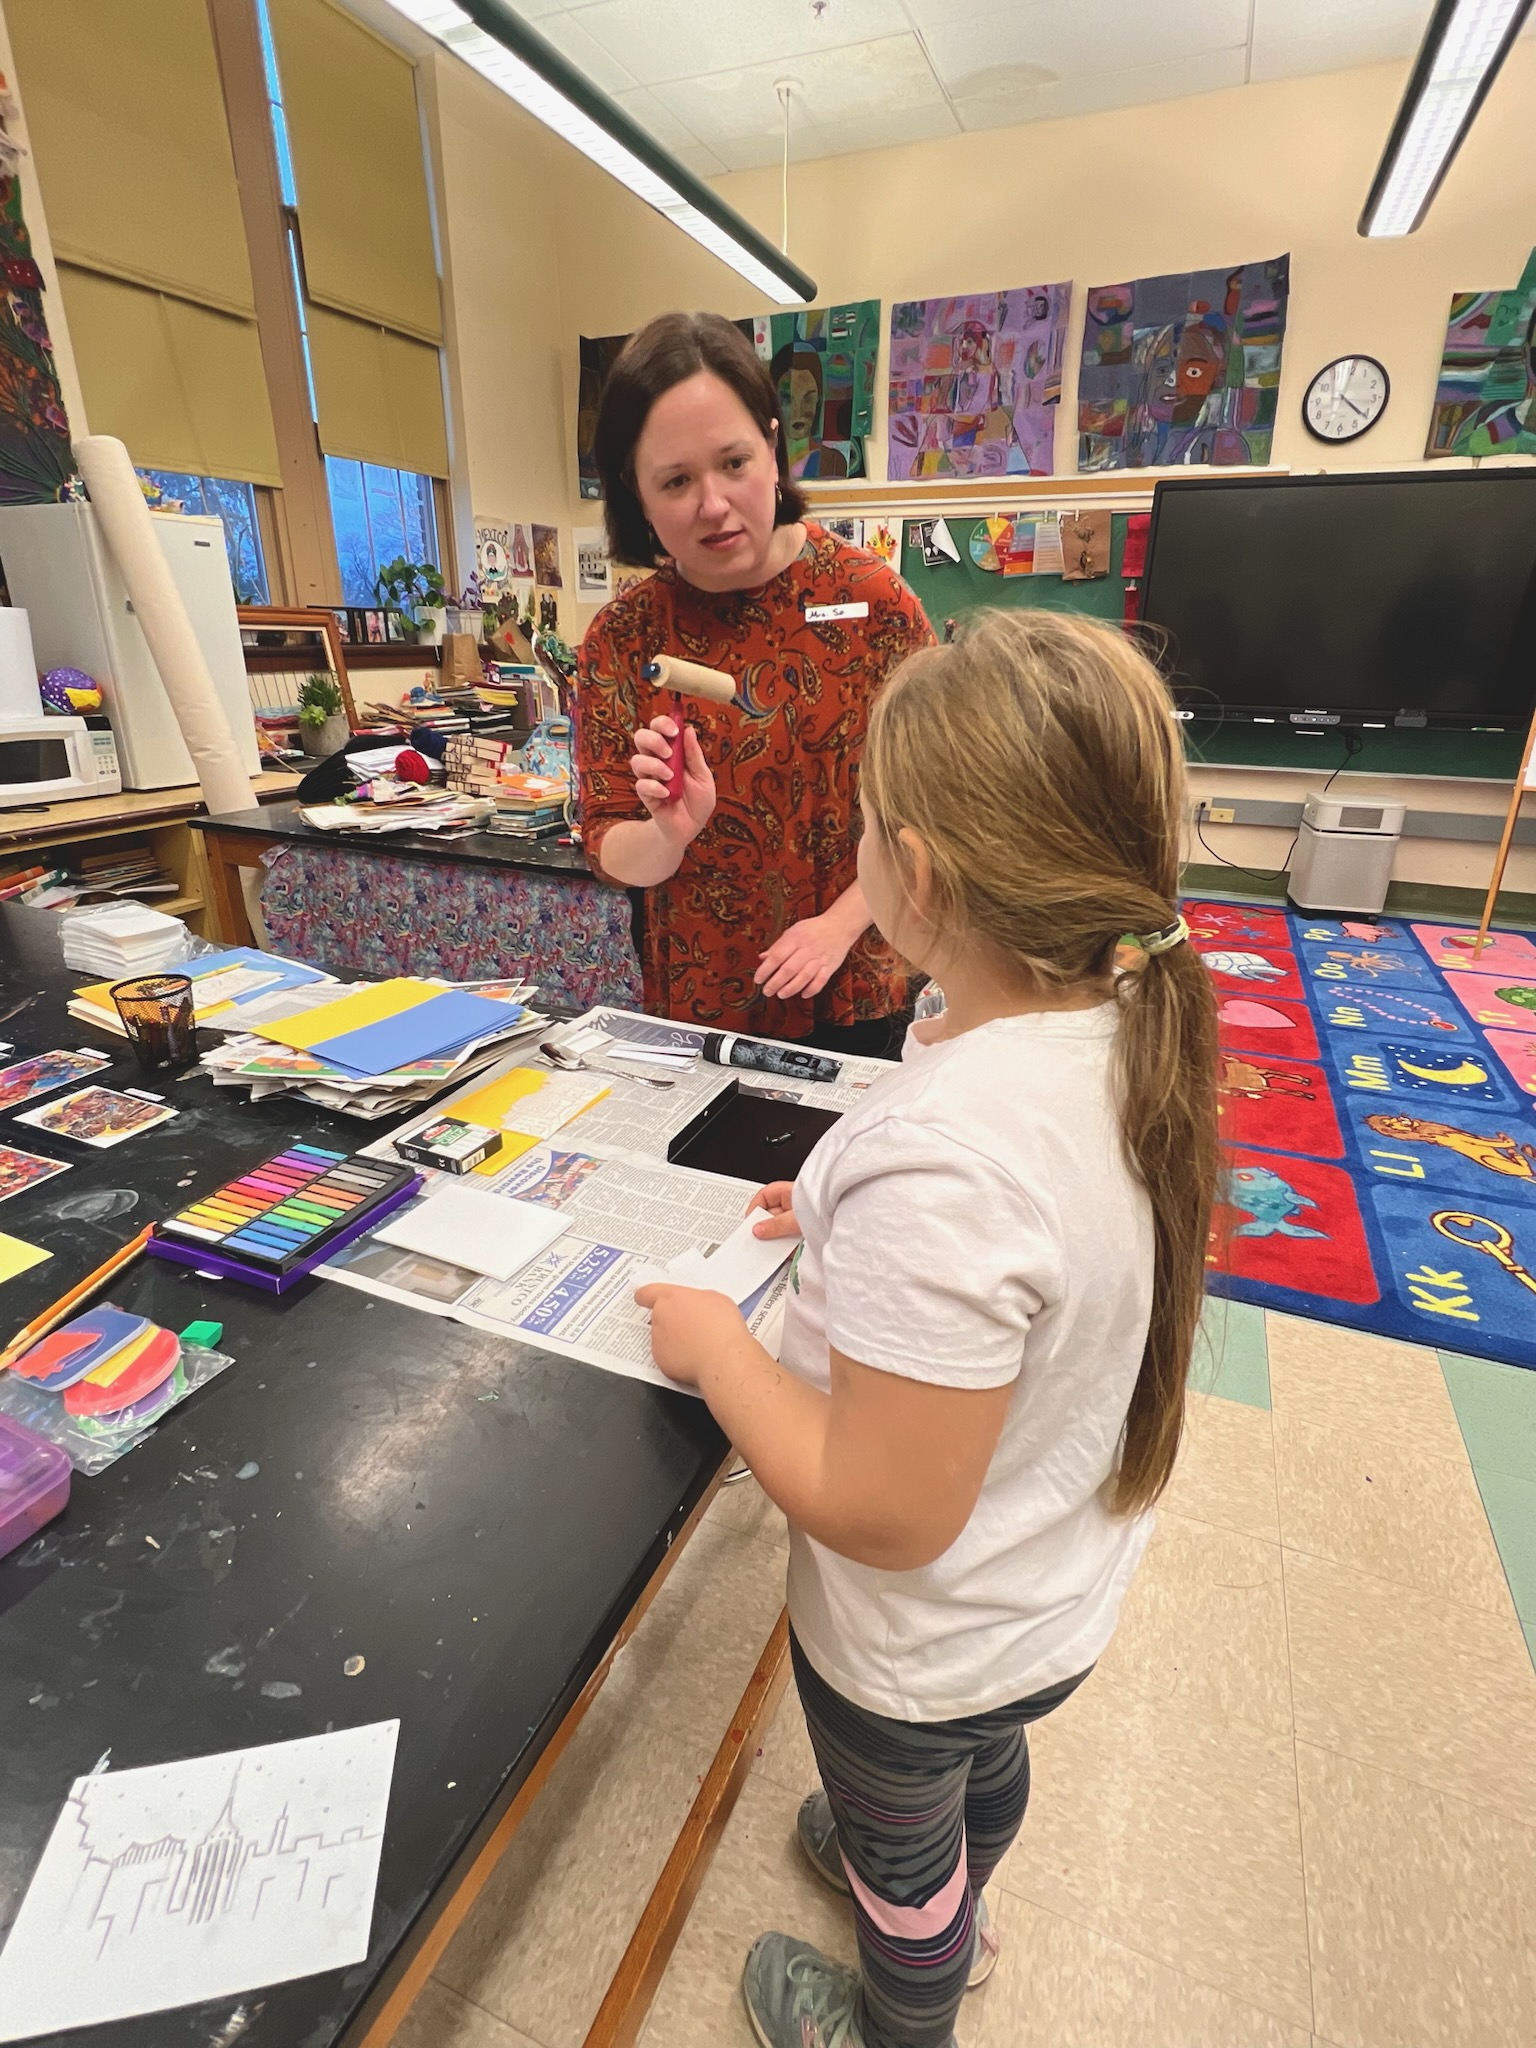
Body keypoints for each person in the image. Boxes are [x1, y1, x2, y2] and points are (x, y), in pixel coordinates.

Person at [635, 609, 1221, 2048]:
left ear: (923, 872)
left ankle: (904, 2004)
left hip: (916, 1650)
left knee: (905, 1876)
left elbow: (880, 1508)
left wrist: (720, 1348)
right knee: (982, 1767)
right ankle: (947, 1881)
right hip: (1042, 1603)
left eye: (862, 830)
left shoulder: (954, 1150)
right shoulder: (1114, 1020)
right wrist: (848, 1216)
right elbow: (1033, 1246)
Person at [575, 312, 933, 1055]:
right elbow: (608, 844)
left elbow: (937, 807)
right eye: (676, 480)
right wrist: (668, 834)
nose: (713, 504)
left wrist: (840, 925)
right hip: (700, 996)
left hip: (855, 986)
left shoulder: (874, 605)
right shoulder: (625, 637)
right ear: (636, 492)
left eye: (734, 462)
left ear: (773, 448)